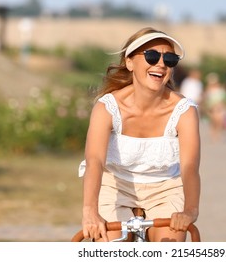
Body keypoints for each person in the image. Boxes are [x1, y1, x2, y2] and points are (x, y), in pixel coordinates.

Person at [79, 27, 201, 242]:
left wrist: (190, 210)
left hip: (164, 188)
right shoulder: (107, 107)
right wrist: (90, 211)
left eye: (170, 59)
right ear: (129, 62)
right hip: (115, 184)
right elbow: (94, 160)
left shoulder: (184, 111)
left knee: (171, 245)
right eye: (152, 56)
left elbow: (190, 166)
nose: (161, 64)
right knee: (111, 245)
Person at [203, 72, 226, 141]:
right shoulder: (208, 89)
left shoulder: (220, 88)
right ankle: (213, 133)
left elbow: (223, 98)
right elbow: (206, 99)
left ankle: (217, 133)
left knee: (220, 121)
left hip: (220, 107)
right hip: (211, 108)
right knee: (213, 121)